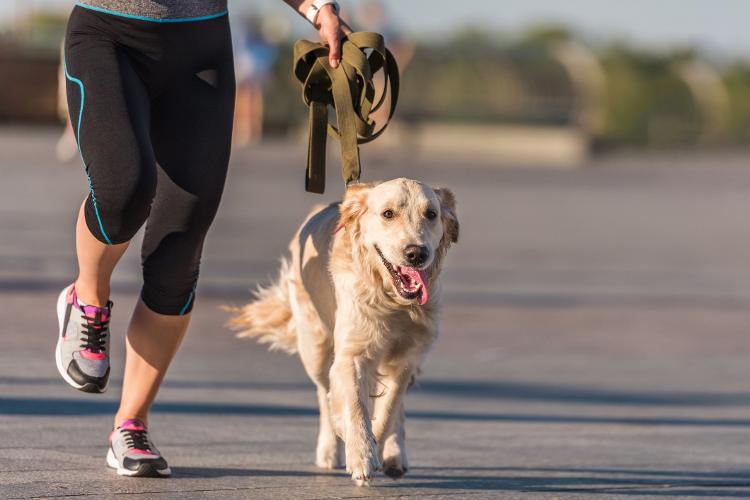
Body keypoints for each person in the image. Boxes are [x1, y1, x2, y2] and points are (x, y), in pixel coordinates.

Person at [55, 0, 349, 478]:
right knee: (125, 191)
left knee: (181, 242)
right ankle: (88, 295)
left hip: (200, 49)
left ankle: (131, 424)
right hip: (108, 36)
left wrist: (319, 10)